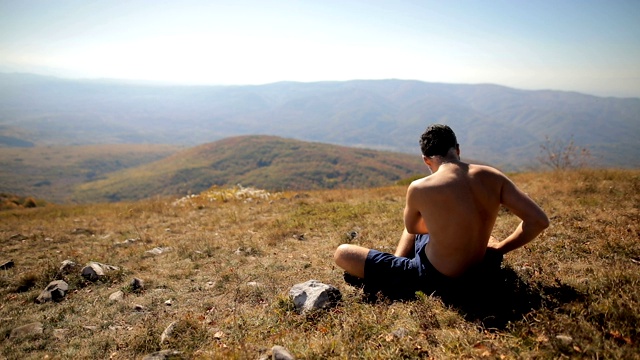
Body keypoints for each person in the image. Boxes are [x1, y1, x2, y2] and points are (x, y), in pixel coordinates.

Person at [334, 124, 549, 299]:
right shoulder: (492, 175)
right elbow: (538, 220)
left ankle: (394, 277)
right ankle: (395, 272)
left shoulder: (421, 187)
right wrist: (500, 249)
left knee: (343, 253)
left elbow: (412, 228)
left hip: (436, 278)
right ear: (457, 149)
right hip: (484, 268)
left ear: (426, 160)